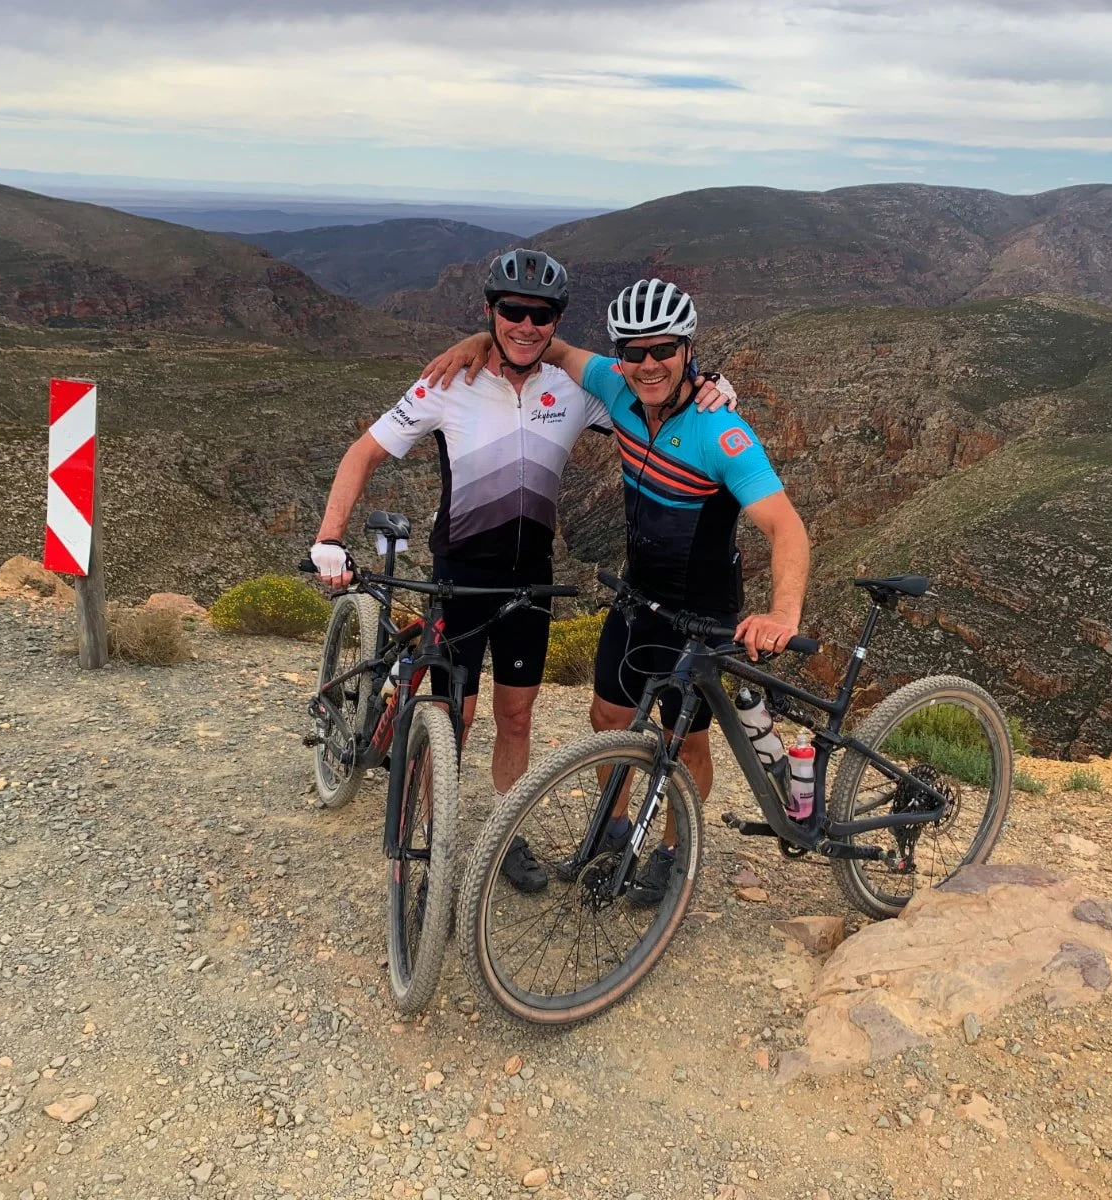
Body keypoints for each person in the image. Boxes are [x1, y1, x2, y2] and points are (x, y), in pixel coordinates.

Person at [311, 252, 733, 893]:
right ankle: (433, 834)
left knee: (516, 716)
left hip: (532, 583)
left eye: (541, 315)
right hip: (459, 575)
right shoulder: (447, 383)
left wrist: (710, 384)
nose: (526, 324)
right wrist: (328, 537)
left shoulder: (575, 390)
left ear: (557, 320)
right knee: (455, 717)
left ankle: (506, 830)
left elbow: (650, 392)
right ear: (491, 312)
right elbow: (363, 452)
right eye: (512, 312)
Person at [428, 278, 810, 906]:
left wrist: (782, 612)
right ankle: (614, 827)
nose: (648, 364)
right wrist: (480, 337)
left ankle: (672, 848)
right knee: (607, 718)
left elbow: (785, 525)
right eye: (634, 351)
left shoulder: (722, 431)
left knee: (684, 740)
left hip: (703, 615)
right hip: (637, 599)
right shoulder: (614, 384)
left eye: (663, 350)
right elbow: (548, 347)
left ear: (688, 351)